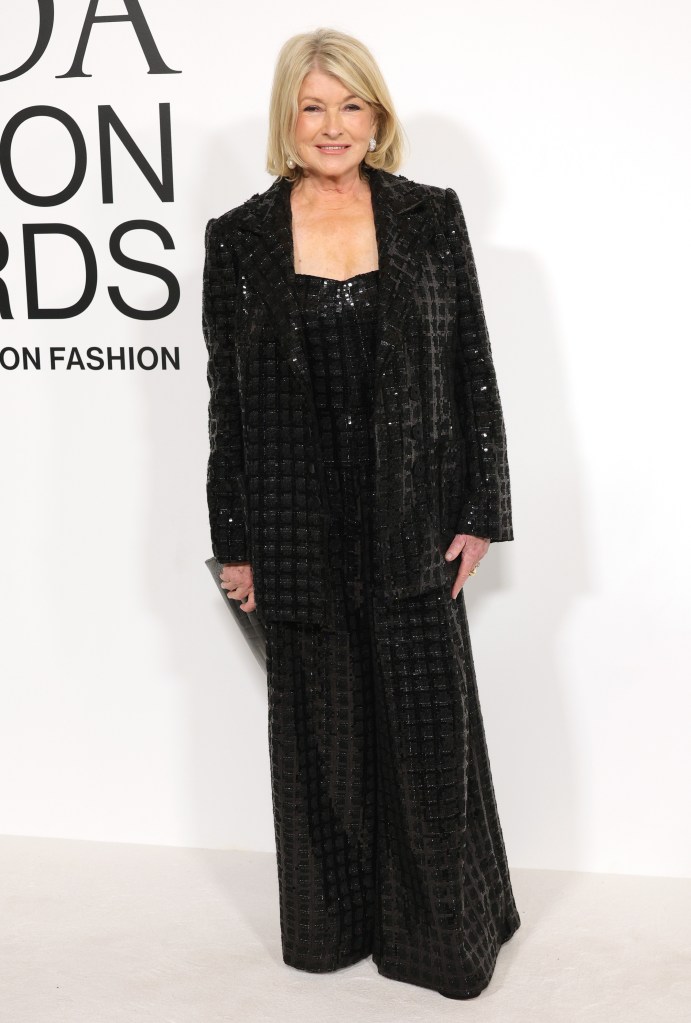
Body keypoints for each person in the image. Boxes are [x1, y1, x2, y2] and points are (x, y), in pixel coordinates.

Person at [202, 27, 521, 1000]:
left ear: (376, 116)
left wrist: (480, 508)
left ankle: (444, 936)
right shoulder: (240, 239)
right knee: (325, 740)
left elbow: (471, 366)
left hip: (413, 520)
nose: (331, 125)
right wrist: (236, 546)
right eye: (312, 106)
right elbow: (228, 404)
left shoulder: (430, 218)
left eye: (350, 105)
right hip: (296, 527)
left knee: (428, 739)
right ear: (286, 119)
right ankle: (335, 931)